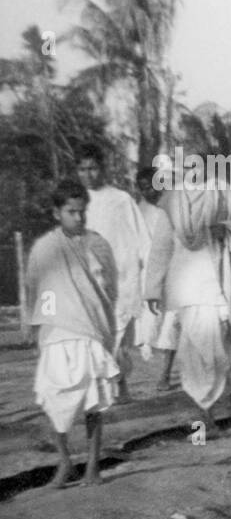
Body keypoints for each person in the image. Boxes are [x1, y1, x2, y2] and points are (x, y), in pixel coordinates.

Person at [144, 167, 231, 435]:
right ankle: (206, 422)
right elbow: (160, 247)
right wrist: (153, 289)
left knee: (215, 351)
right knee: (192, 359)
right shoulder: (173, 200)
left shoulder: (223, 193)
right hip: (185, 290)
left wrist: (226, 229)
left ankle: (229, 396)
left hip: (217, 287)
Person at [25, 179, 119, 487]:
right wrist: (42, 330)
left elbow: (108, 290)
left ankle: (92, 467)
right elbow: (42, 291)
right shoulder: (45, 248)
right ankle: (65, 463)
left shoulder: (98, 244)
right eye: (71, 212)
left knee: (93, 401)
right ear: (56, 213)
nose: (78, 218)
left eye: (82, 212)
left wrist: (106, 326)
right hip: (58, 332)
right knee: (54, 398)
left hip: (90, 330)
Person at [78, 144, 149, 400]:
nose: (89, 174)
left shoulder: (121, 199)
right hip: (87, 277)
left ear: (103, 169)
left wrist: (143, 274)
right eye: (83, 169)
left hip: (120, 278)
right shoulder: (75, 203)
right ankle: (104, 386)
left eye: (93, 168)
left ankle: (120, 384)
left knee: (117, 333)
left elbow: (142, 240)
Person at [132, 167, 180, 388]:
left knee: (172, 324)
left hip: (176, 273)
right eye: (143, 188)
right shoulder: (138, 213)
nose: (149, 191)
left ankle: (166, 374)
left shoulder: (173, 204)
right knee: (151, 327)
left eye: (152, 185)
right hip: (148, 275)